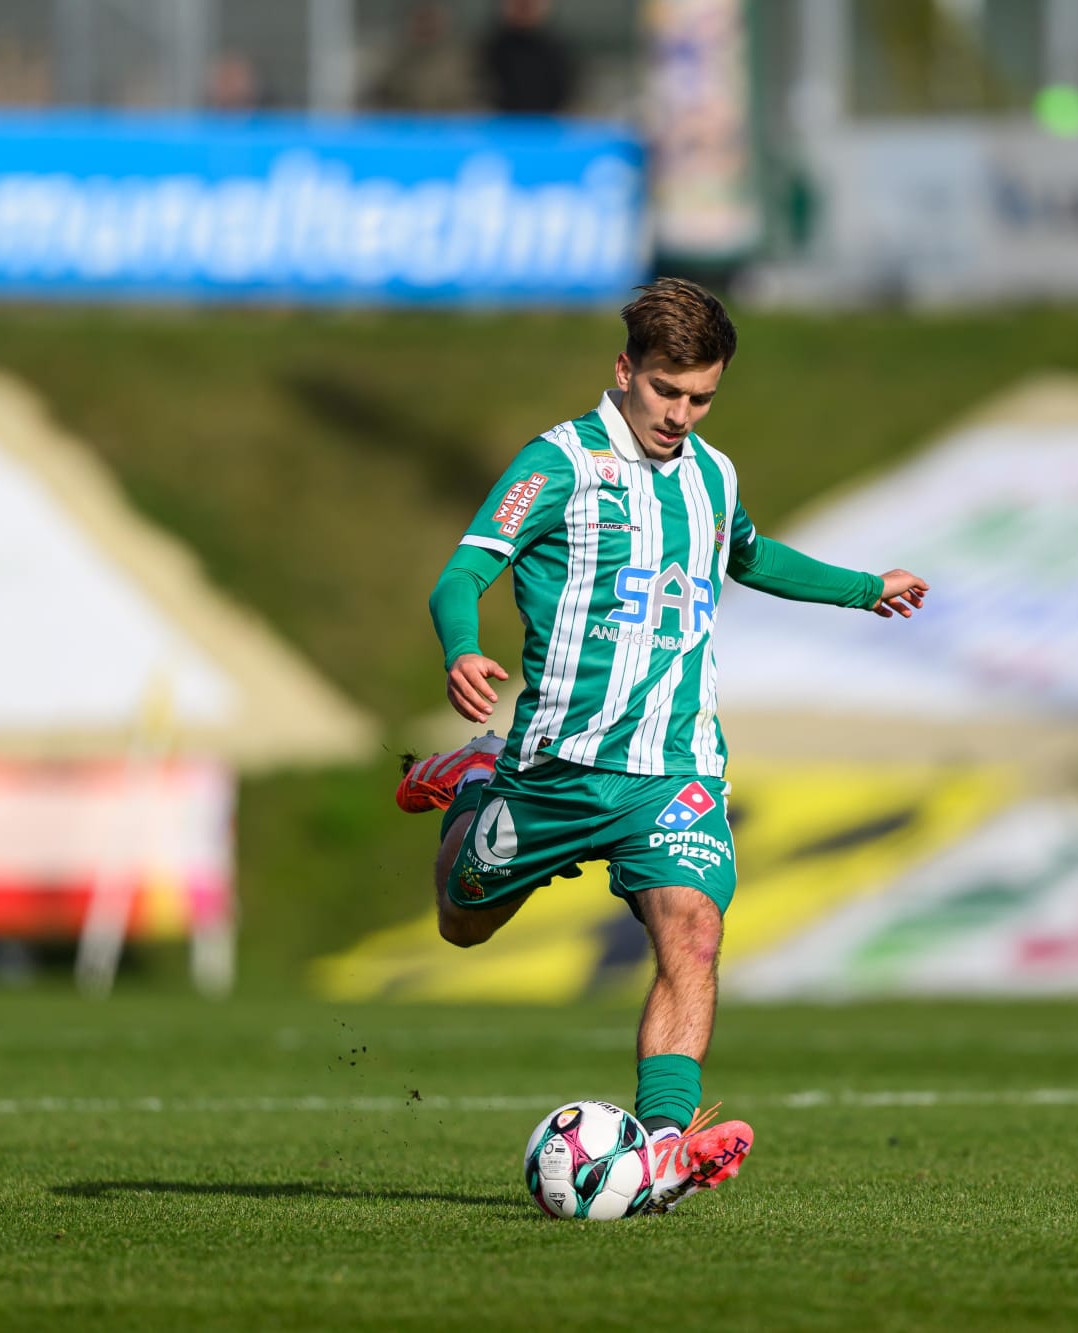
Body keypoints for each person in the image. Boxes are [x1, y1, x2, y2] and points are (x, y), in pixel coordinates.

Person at [394, 278, 929, 1215]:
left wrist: (861, 586)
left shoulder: (712, 475)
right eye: (665, 391)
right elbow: (463, 571)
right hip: (557, 768)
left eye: (701, 397)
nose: (680, 414)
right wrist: (461, 647)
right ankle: (476, 777)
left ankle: (664, 1149)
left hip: (675, 769)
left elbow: (749, 554)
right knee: (461, 921)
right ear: (624, 370)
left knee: (694, 931)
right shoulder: (559, 464)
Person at [367, 2, 478, 113]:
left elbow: (467, 102)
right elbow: (382, 98)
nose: (427, 27)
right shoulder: (398, 61)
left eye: (431, 21)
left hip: (446, 121)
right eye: (422, 20)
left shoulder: (459, 62)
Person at [478, 0, 577, 115]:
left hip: (547, 122)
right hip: (500, 122)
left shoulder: (558, 50)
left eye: (531, 4)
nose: (525, 6)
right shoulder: (488, 49)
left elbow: (570, 100)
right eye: (519, 4)